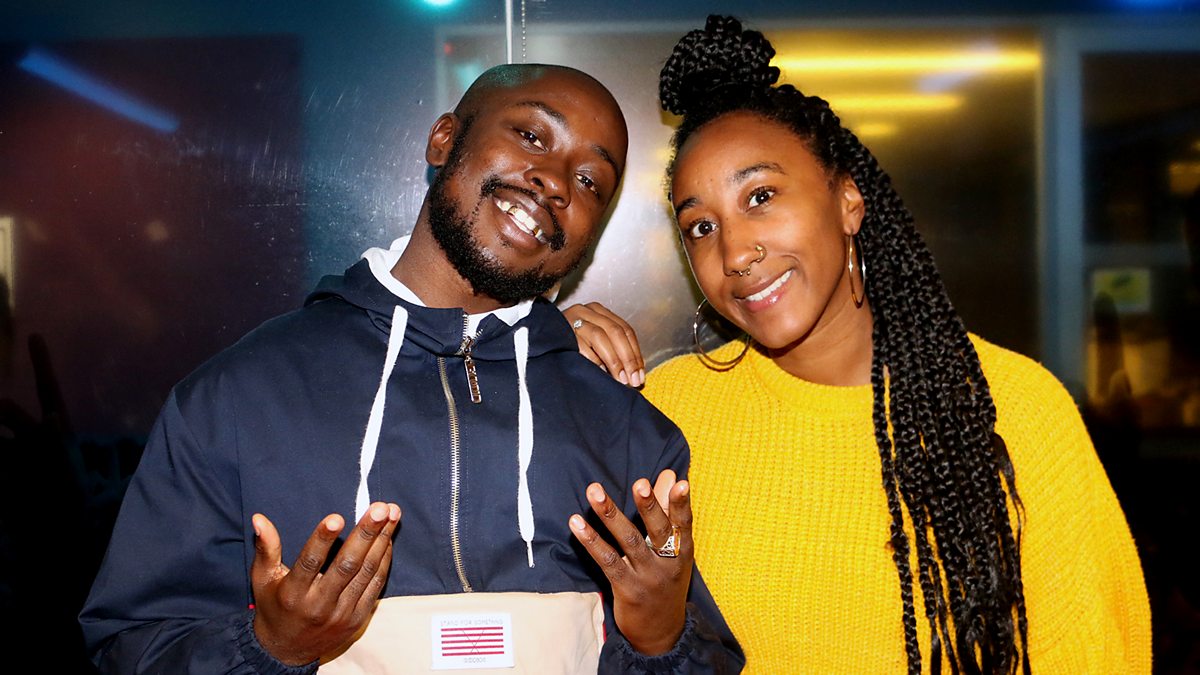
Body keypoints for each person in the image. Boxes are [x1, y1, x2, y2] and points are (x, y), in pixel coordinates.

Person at [79, 63, 743, 674]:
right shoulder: (236, 396)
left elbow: (705, 657)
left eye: (591, 181)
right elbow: (129, 646)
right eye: (530, 136)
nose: (556, 182)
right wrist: (271, 648)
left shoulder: (626, 426)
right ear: (444, 139)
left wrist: (659, 639)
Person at [565, 16, 1150, 674]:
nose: (735, 252)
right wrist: (548, 359)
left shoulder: (1013, 408)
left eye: (761, 196)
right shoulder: (668, 414)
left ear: (848, 200)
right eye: (701, 226)